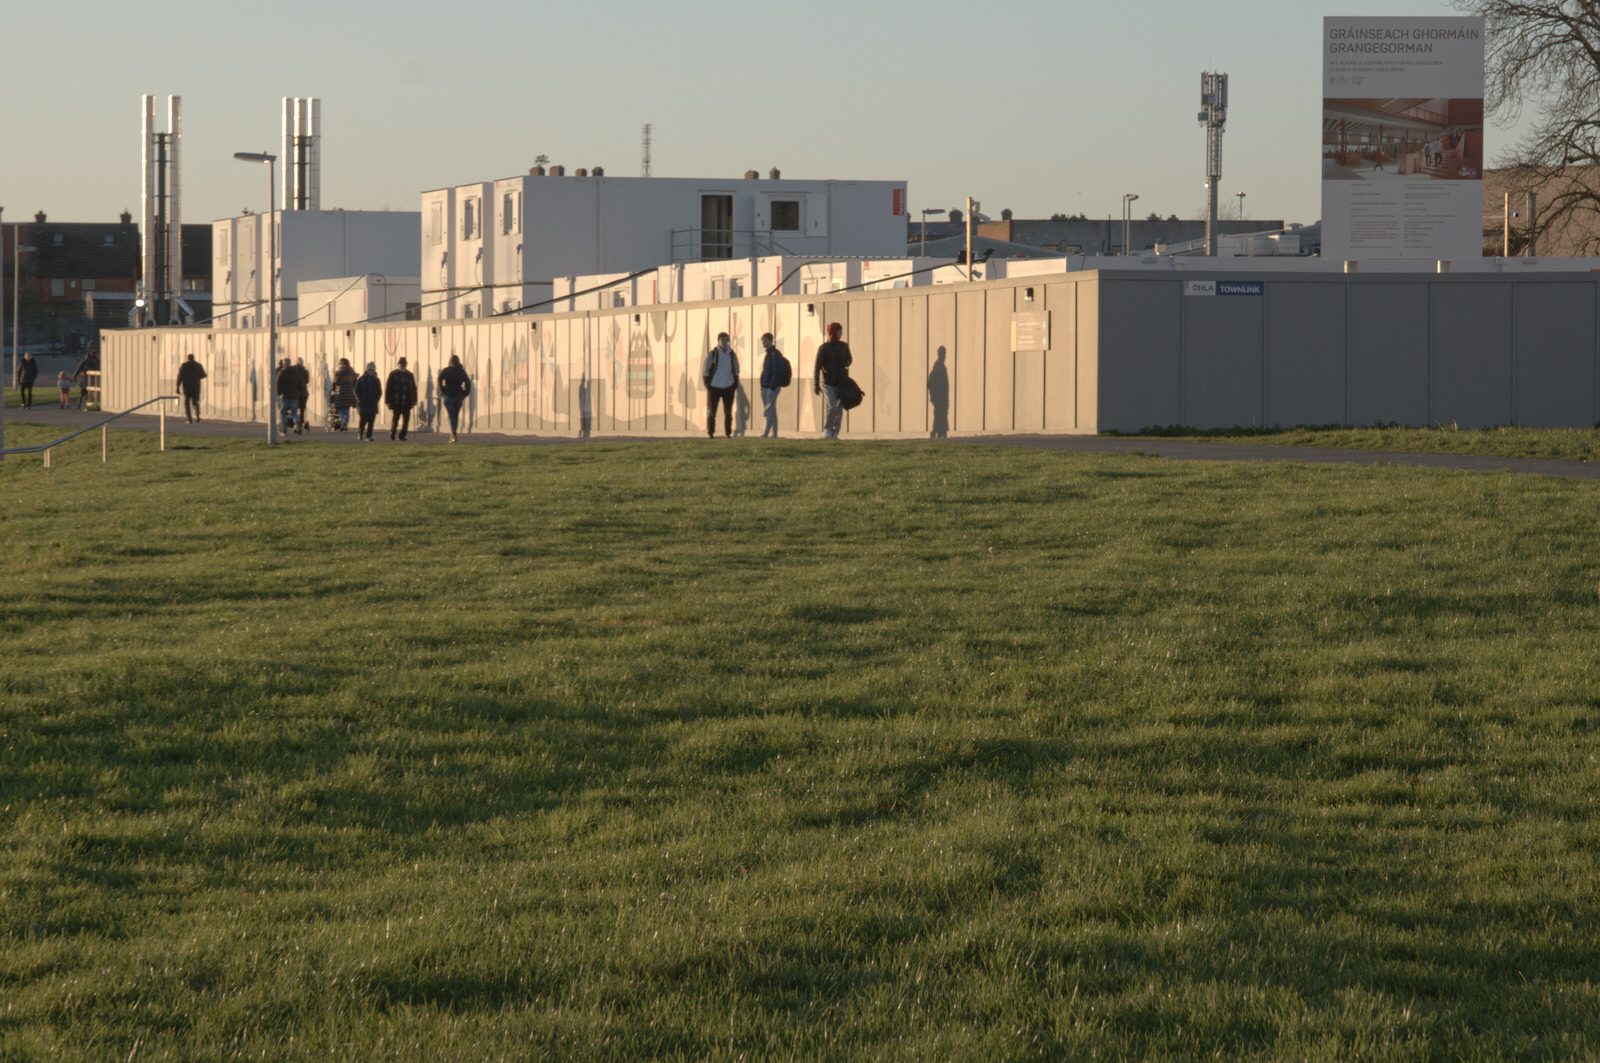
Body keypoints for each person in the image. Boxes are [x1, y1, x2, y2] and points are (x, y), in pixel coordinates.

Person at [813, 322, 852, 440]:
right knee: (832, 406)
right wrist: (816, 384)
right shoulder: (824, 348)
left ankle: (835, 432)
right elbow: (817, 367)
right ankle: (827, 429)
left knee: (839, 408)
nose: (842, 333)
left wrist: (846, 363)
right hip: (828, 383)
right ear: (834, 332)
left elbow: (850, 359)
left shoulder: (844, 346)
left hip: (841, 382)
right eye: (840, 331)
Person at [701, 331, 740, 438]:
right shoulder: (712, 354)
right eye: (723, 340)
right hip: (714, 387)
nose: (725, 342)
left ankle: (728, 433)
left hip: (729, 387)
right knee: (712, 412)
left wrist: (735, 383)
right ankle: (710, 432)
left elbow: (736, 369)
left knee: (728, 412)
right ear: (718, 341)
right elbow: (706, 369)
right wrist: (707, 384)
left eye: (727, 340)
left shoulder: (732, 354)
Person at [757, 332, 789, 438]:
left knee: (768, 411)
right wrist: (763, 385)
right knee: (772, 411)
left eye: (765, 341)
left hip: (771, 387)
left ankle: (766, 433)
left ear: (771, 341)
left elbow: (776, 371)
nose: (763, 343)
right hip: (766, 386)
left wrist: (772, 386)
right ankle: (774, 434)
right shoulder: (769, 354)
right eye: (762, 341)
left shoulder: (775, 354)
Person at [438, 354, 472, 442]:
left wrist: (443, 391)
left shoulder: (446, 370)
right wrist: (464, 394)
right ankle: (453, 433)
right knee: (455, 416)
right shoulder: (461, 371)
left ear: (450, 362)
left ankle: (453, 433)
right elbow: (468, 382)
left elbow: (439, 379)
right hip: (458, 397)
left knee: (451, 415)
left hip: (449, 396)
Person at [385, 356, 419, 441]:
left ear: (406, 365)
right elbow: (388, 388)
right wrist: (387, 400)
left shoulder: (409, 375)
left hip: (407, 401)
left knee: (406, 420)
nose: (402, 366)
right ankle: (393, 432)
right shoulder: (393, 374)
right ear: (398, 365)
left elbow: (413, 388)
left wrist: (414, 400)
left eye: (404, 365)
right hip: (396, 401)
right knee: (395, 419)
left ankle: (402, 435)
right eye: (401, 365)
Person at [354, 362, 383, 442]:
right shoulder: (361, 379)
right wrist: (359, 399)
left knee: (371, 421)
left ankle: (369, 436)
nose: (371, 371)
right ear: (366, 370)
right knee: (363, 421)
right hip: (363, 404)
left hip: (372, 404)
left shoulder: (377, 380)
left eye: (372, 370)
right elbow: (356, 390)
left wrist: (376, 400)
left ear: (374, 370)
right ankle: (360, 433)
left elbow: (379, 392)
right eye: (369, 369)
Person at [175, 353, 207, 423]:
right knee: (196, 402)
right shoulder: (198, 365)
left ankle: (189, 418)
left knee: (187, 403)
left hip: (187, 388)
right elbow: (204, 375)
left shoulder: (184, 366)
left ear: (188, 358)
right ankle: (197, 415)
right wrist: (197, 376)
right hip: (196, 387)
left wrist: (177, 386)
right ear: (193, 358)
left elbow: (180, 377)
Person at [330, 357, 359, 431]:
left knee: (340, 409)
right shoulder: (352, 371)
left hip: (340, 392)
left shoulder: (339, 371)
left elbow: (335, 382)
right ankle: (345, 423)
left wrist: (333, 389)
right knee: (346, 409)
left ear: (341, 364)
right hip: (349, 392)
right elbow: (355, 382)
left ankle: (343, 422)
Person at [275, 357, 302, 435]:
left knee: (283, 413)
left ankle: (284, 431)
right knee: (294, 413)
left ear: (283, 364)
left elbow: (278, 384)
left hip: (284, 396)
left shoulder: (281, 373)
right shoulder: (296, 372)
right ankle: (296, 423)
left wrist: (279, 394)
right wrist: (297, 393)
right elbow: (300, 383)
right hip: (294, 396)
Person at [291, 357, 312, 430]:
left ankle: (296, 423)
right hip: (304, 393)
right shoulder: (305, 371)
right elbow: (307, 381)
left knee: (294, 409)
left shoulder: (293, 371)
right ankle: (302, 421)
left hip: (295, 393)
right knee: (302, 409)